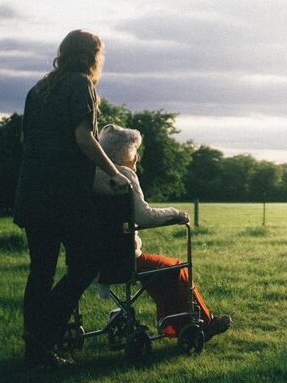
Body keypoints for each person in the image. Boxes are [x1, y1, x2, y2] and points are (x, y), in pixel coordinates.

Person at [14, 29, 131, 369]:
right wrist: (114, 172)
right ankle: (43, 338)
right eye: (101, 55)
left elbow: (27, 140)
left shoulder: (38, 89)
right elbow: (84, 138)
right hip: (63, 196)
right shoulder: (81, 85)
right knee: (84, 266)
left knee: (41, 271)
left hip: (32, 192)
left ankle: (34, 347)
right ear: (92, 56)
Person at [92, 124, 232, 341]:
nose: (137, 157)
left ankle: (173, 326)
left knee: (161, 271)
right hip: (123, 259)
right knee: (175, 268)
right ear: (123, 153)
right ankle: (203, 323)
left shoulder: (92, 174)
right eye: (134, 151)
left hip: (94, 260)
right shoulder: (124, 175)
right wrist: (175, 214)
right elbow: (145, 216)